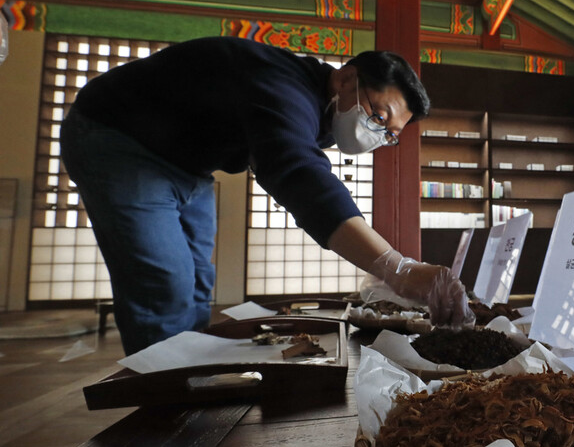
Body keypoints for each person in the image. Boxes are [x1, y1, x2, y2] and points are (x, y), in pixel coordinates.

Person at [61, 36, 473, 355]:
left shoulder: (320, 112)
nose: (379, 135)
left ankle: (180, 376)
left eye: (390, 135)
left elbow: (299, 163)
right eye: (379, 116)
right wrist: (397, 269)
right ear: (346, 78)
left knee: (198, 284)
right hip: (119, 141)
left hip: (189, 167)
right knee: (164, 284)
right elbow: (299, 174)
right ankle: (160, 415)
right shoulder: (283, 86)